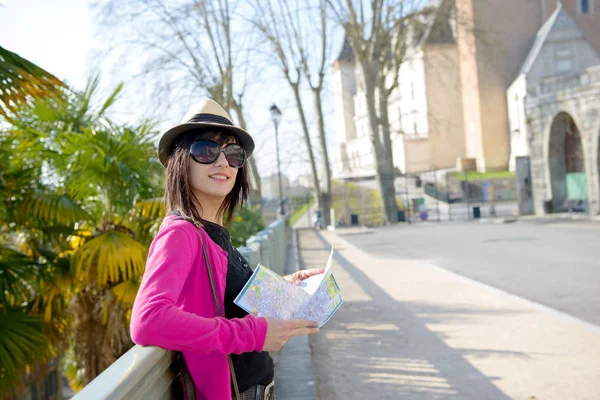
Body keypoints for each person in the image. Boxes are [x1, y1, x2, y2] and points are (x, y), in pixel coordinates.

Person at [130, 99, 323, 400]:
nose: (222, 163)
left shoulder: (213, 233)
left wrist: (283, 287)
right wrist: (255, 334)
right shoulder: (180, 233)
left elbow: (221, 299)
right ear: (182, 160)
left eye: (233, 154)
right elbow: (148, 320)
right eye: (206, 151)